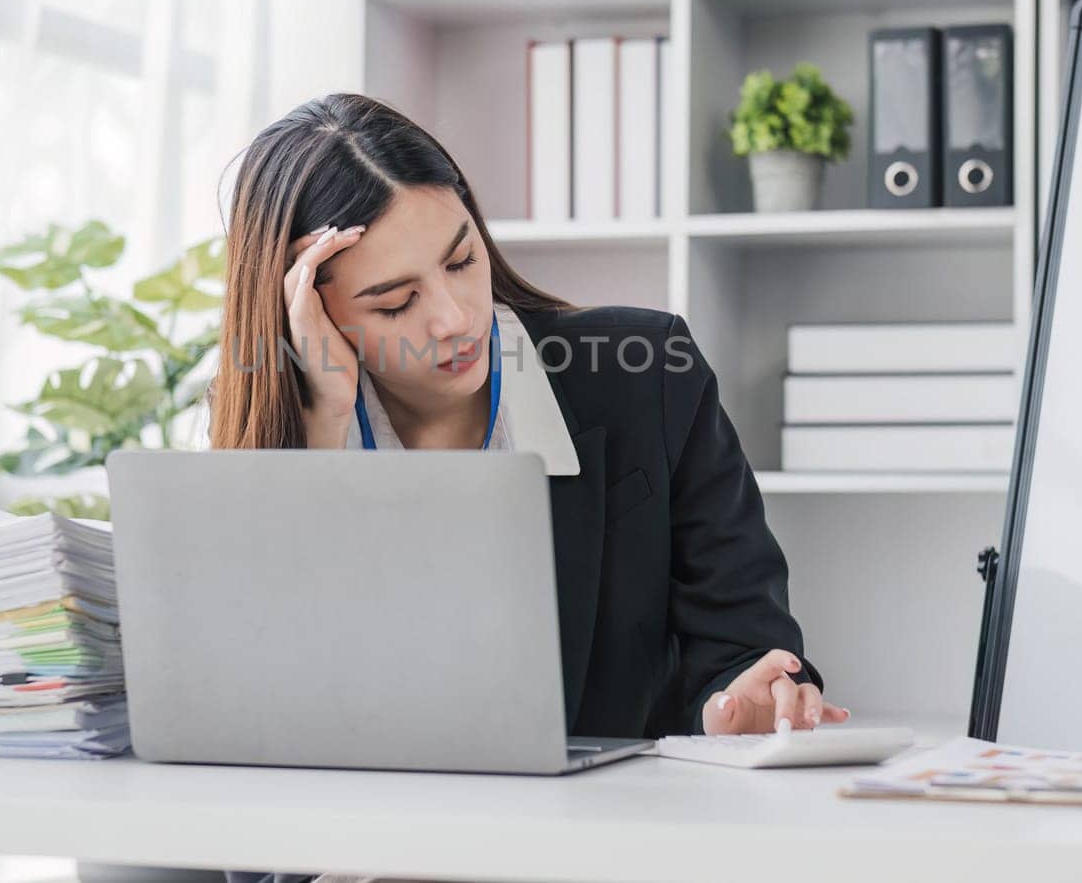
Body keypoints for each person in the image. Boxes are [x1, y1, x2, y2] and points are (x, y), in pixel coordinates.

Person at [206, 93, 846, 883]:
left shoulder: (646, 375)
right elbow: (250, 755)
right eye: (395, 300)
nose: (452, 317)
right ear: (305, 309)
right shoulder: (277, 447)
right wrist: (323, 430)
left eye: (461, 259)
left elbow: (745, 645)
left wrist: (734, 708)